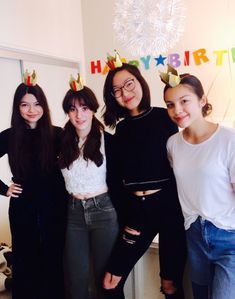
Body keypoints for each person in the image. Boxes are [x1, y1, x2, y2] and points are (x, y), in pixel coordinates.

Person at [102, 54, 187, 299]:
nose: (125, 92)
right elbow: (116, 179)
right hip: (137, 213)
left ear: (140, 82)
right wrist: (126, 216)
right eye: (116, 90)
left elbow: (181, 162)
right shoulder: (121, 129)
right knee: (110, 282)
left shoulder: (166, 117)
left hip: (170, 210)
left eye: (129, 83)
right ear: (112, 97)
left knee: (170, 285)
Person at [162, 66, 235, 299]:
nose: (177, 110)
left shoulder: (228, 139)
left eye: (184, 101)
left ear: (202, 100)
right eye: (170, 104)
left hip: (228, 236)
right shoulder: (172, 144)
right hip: (193, 234)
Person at [0, 70, 67, 299]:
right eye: (24, 105)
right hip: (23, 207)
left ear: (44, 106)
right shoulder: (9, 136)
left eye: (37, 104)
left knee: (54, 258)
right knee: (25, 260)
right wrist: (3, 188)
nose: (31, 110)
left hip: (55, 205)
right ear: (17, 108)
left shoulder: (57, 134)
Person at [58, 75, 119, 299]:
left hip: (103, 210)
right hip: (74, 211)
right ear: (67, 112)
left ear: (93, 109)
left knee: (106, 277)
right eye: (73, 109)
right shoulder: (61, 140)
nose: (79, 115)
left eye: (84, 108)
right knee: (76, 277)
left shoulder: (108, 140)